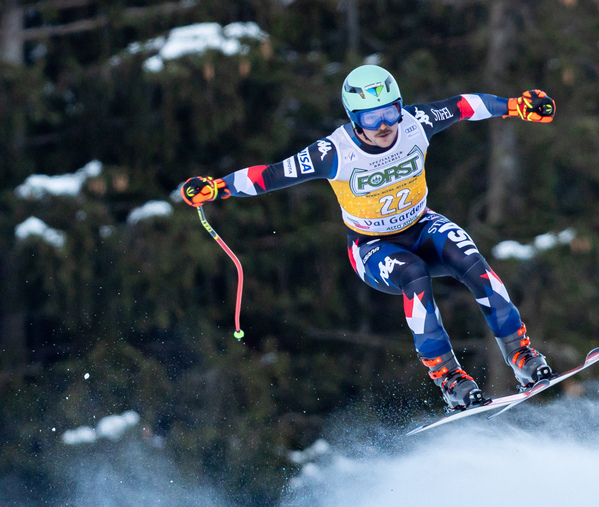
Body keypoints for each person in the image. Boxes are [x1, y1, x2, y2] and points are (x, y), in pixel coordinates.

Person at [182, 64, 556, 412]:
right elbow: (271, 175)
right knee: (413, 275)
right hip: (372, 247)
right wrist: (218, 188)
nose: (383, 125)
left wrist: (515, 106)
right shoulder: (334, 152)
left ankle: (520, 354)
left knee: (473, 264)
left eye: (390, 111)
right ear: (354, 119)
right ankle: (448, 377)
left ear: (399, 107)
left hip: (422, 225)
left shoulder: (415, 123)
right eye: (370, 117)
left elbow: (462, 106)